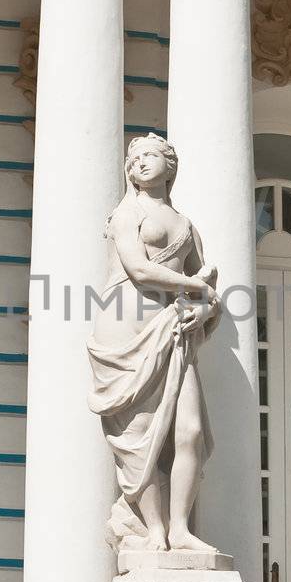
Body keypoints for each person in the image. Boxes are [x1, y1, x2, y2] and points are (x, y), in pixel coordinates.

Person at [87, 134, 220, 553]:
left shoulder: (186, 226)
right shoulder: (126, 212)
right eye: (134, 159)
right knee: (139, 436)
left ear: (170, 165)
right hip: (127, 326)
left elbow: (209, 292)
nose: (139, 164)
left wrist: (204, 308)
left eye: (149, 156)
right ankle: (154, 531)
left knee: (191, 431)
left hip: (175, 328)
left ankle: (179, 529)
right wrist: (194, 287)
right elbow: (140, 270)